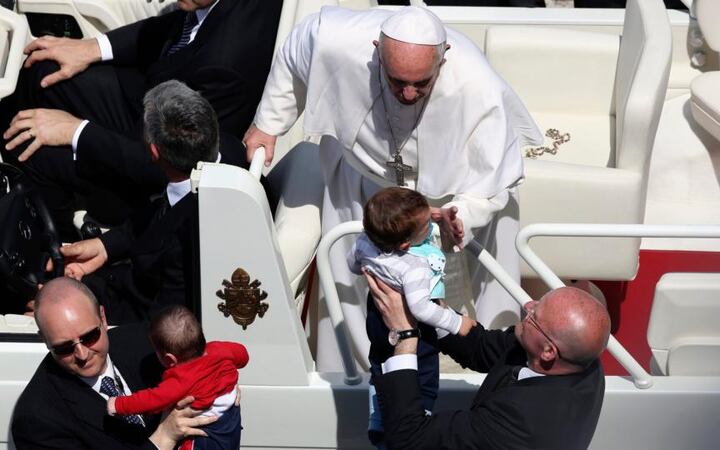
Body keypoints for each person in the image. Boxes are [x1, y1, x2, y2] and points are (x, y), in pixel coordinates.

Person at [243, 5, 542, 370]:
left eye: (422, 83)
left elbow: (494, 179)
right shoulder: (336, 38)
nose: (409, 94)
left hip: (453, 196)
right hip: (362, 176)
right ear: (376, 50)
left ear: (443, 57)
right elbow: (296, 53)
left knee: (475, 281)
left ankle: (498, 366)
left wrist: (460, 214)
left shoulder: (479, 85)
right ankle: (350, 367)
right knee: (351, 277)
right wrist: (268, 123)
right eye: (397, 81)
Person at [0, 0, 282, 236]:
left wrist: (75, 132)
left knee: (37, 153)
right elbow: (176, 26)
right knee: (45, 70)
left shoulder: (227, 64)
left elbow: (171, 163)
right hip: (155, 99)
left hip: (156, 169)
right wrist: (92, 48)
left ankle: (51, 256)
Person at [367, 274, 611, 450]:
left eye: (535, 315)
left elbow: (408, 439)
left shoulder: (520, 419)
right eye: (538, 301)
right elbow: (481, 348)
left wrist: (404, 335)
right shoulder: (580, 360)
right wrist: (431, 311)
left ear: (549, 352)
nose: (528, 306)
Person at [55, 80, 224, 324]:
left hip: (123, 315)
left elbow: (162, 327)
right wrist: (105, 247)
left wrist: (81, 311)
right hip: (117, 280)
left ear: (154, 152)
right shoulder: (228, 155)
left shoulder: (188, 241)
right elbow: (159, 215)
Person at [12, 277, 217, 449]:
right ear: (45, 341)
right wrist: (163, 439)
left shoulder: (144, 342)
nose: (82, 354)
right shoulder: (37, 419)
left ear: (103, 317)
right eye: (64, 348)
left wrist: (218, 381)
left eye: (90, 336)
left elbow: (201, 364)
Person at [347, 187, 463, 445]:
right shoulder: (414, 266)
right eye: (427, 225)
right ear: (405, 245)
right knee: (421, 373)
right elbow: (421, 309)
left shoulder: (365, 242)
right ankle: (418, 412)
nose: (431, 226)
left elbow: (353, 264)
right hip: (413, 329)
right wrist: (457, 323)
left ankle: (378, 417)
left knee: (380, 361)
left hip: (377, 319)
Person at [107, 305, 248, 450]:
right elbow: (243, 355)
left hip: (208, 433)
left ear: (170, 359)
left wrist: (119, 404)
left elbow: (152, 400)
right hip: (231, 418)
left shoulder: (181, 379)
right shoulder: (220, 349)